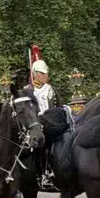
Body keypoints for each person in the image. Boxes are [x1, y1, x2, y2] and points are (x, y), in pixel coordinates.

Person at [25, 45, 61, 190]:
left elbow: (58, 106)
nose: (46, 76)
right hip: (35, 124)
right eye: (42, 74)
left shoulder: (51, 89)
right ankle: (43, 174)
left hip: (50, 122)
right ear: (35, 74)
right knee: (41, 143)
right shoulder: (28, 91)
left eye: (46, 73)